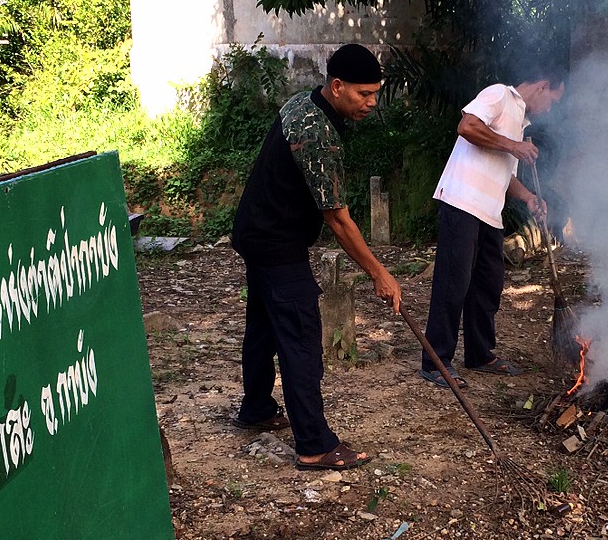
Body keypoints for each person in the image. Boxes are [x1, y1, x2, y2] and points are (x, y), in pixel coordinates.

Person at [229, 43, 402, 471]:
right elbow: (338, 220)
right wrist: (378, 273)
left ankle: (256, 409)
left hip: (255, 230)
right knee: (302, 337)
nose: (371, 103)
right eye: (364, 93)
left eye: (375, 94)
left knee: (264, 325)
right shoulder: (318, 134)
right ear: (337, 86)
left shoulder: (302, 102)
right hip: (276, 242)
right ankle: (314, 444)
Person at [420, 75, 565, 387]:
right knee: (453, 284)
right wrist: (513, 145)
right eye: (553, 101)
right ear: (542, 86)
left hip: (489, 212)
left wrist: (528, 197)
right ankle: (435, 362)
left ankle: (480, 354)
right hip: (462, 201)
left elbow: (505, 174)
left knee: (488, 284)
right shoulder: (500, 95)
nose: (550, 109)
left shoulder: (521, 123)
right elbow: (467, 126)